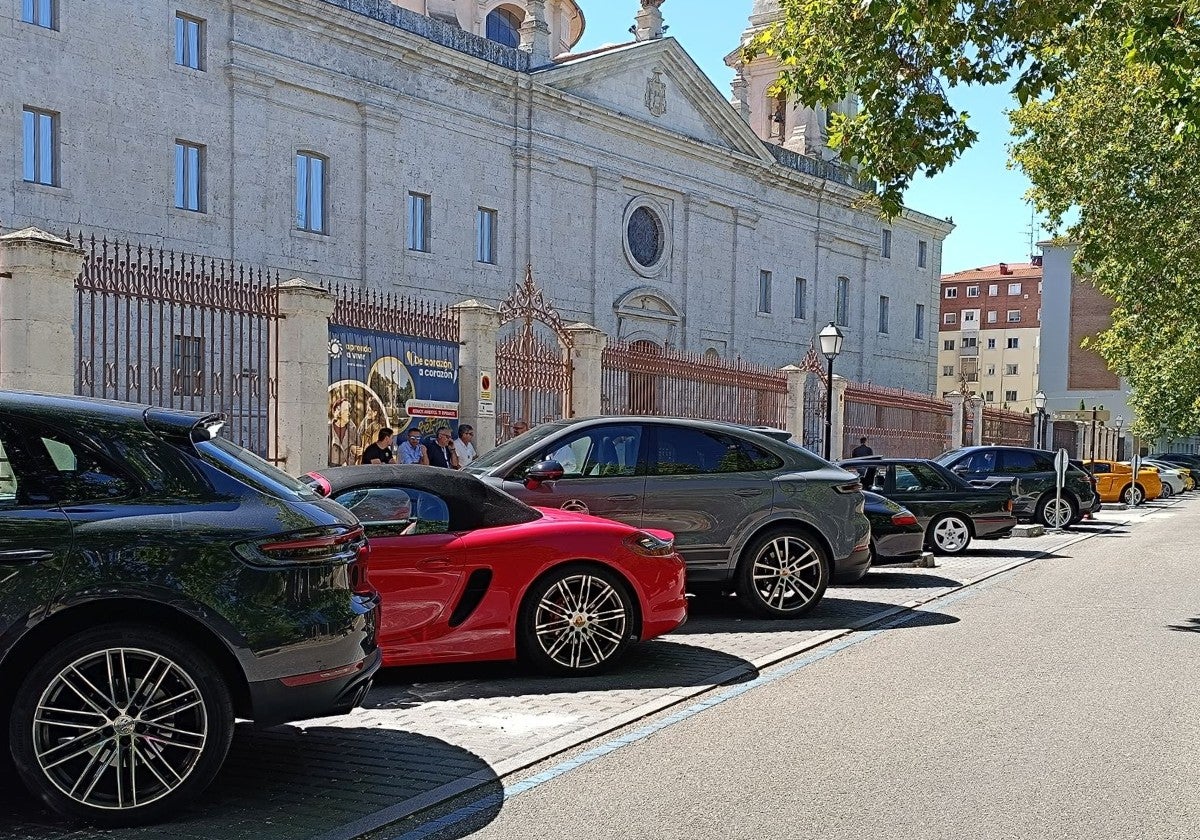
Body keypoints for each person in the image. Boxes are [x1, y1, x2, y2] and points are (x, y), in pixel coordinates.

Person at [329, 398, 361, 467]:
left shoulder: (353, 429)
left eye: (348, 410)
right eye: (346, 410)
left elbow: (359, 451)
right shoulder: (328, 429)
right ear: (338, 412)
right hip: (330, 470)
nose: (349, 413)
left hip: (348, 470)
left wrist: (353, 450)